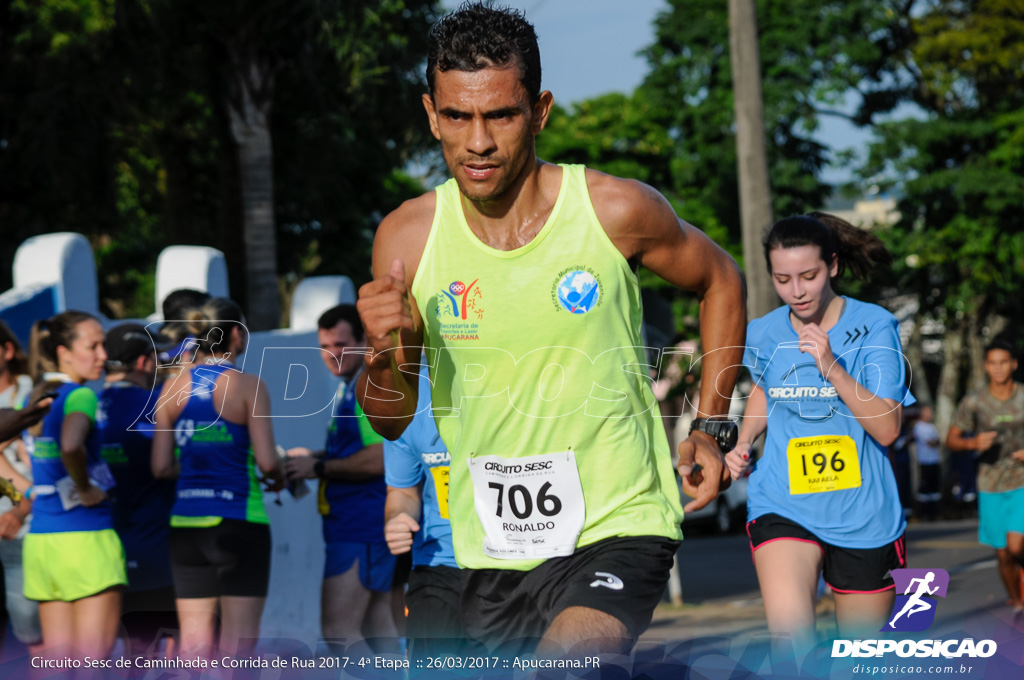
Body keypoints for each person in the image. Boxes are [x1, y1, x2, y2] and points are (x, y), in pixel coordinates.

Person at [355, 2, 745, 657]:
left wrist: (710, 426)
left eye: (500, 115)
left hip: (618, 520)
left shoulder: (614, 210)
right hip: (484, 543)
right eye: (457, 116)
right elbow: (392, 420)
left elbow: (721, 280)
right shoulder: (408, 239)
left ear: (539, 111)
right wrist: (383, 357)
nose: (477, 141)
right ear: (431, 114)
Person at [725, 213, 913, 653]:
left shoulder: (876, 326)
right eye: (783, 279)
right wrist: (744, 441)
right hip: (783, 501)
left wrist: (831, 365)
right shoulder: (763, 332)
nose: (796, 291)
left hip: (865, 514)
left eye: (808, 276)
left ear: (832, 265)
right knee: (793, 648)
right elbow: (766, 390)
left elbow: (887, 428)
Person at [151, 298, 285, 657]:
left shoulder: (171, 388)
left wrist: (200, 465)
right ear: (237, 335)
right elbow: (269, 462)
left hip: (186, 526)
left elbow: (161, 467)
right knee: (239, 646)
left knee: (193, 646)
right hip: (240, 520)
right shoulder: (248, 386)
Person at [284, 304, 398, 656]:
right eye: (325, 346)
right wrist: (315, 457)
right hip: (359, 525)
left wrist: (317, 469)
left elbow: (381, 457)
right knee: (377, 627)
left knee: (338, 630)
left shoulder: (367, 382)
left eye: (340, 344)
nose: (332, 354)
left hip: (361, 525)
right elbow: (360, 449)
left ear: (364, 339)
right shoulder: (351, 383)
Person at [23, 311, 125, 661]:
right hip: (87, 541)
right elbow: (70, 445)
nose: (102, 355)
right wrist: (83, 486)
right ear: (64, 351)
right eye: (92, 346)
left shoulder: (35, 396)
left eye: (104, 345)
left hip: (41, 544)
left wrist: (25, 490)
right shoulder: (80, 395)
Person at [97, 323, 177, 657]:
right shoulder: (158, 403)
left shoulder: (80, 406)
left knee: (133, 657)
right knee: (178, 648)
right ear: (144, 362)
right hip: (159, 550)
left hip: (104, 555)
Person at [383, 361, 467, 661]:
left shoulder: (513, 378)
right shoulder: (409, 396)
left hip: (521, 562)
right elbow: (403, 490)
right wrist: (396, 518)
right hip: (440, 563)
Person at [946, 340, 1024, 612]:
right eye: (993, 362)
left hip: (1021, 481)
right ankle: (1016, 601)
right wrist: (972, 443)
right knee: (1002, 553)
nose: (999, 368)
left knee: (1016, 546)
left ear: (1013, 364)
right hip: (990, 484)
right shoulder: (975, 401)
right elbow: (951, 439)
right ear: (986, 366)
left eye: (1004, 362)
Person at [0, 322, 42, 658]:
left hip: (20, 531)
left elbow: (43, 467)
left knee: (34, 637)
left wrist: (20, 507)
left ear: (8, 351)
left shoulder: (32, 397)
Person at [913, 405, 942, 521]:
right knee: (924, 489)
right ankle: (922, 514)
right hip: (924, 461)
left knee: (935, 489)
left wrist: (936, 441)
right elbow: (931, 442)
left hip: (935, 460)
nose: (930, 414)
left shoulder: (932, 427)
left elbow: (938, 441)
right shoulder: (919, 427)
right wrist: (935, 442)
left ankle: (934, 514)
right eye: (927, 412)